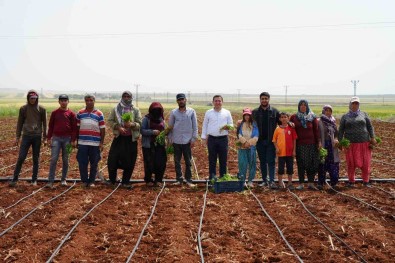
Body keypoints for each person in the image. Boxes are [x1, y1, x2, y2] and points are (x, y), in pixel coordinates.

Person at [9, 90, 47, 187]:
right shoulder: (23, 109)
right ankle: (15, 179)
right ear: (28, 98)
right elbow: (19, 123)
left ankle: (34, 179)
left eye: (34, 98)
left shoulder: (42, 109)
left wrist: (45, 137)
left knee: (36, 158)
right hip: (26, 136)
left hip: (37, 136)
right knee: (21, 157)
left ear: (37, 98)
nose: (33, 100)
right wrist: (17, 137)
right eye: (31, 98)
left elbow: (45, 124)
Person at [338, 97, 376, 187]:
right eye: (353, 103)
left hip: (364, 143)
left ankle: (366, 181)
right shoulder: (345, 116)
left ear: (359, 105)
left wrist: (373, 137)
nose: (355, 105)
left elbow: (370, 127)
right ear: (350, 105)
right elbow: (341, 130)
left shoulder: (364, 114)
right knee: (351, 163)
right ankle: (351, 181)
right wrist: (341, 142)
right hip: (350, 144)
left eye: (356, 103)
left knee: (366, 163)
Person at [107, 91, 141, 189]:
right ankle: (112, 180)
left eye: (128, 96)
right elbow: (110, 120)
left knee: (130, 161)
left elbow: (139, 123)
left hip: (131, 140)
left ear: (131, 97)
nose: (126, 98)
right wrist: (118, 127)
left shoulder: (135, 109)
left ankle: (125, 182)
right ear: (122, 97)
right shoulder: (116, 108)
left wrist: (132, 124)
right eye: (124, 96)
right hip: (119, 138)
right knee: (112, 160)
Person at [46, 94, 77, 188]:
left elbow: (74, 129)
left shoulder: (71, 114)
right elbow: (51, 126)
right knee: (54, 159)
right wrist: (48, 138)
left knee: (66, 159)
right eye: (62, 100)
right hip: (56, 139)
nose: (63, 102)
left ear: (68, 101)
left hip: (67, 140)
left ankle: (63, 179)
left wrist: (73, 140)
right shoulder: (55, 113)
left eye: (65, 100)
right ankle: (50, 181)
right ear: (59, 102)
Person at [168, 93, 199, 187]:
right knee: (177, 161)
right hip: (176, 140)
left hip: (187, 141)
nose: (181, 101)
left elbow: (195, 127)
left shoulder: (191, 112)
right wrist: (170, 139)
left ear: (186, 100)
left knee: (188, 161)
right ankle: (179, 179)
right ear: (177, 101)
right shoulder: (174, 112)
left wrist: (193, 139)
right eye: (179, 100)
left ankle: (189, 180)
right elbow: (170, 127)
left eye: (182, 99)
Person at [76, 94, 105, 188]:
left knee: (94, 163)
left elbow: (102, 129)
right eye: (87, 100)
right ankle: (84, 181)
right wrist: (76, 140)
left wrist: (101, 142)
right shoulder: (80, 113)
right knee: (82, 163)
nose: (89, 102)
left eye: (91, 100)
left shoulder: (99, 114)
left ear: (94, 101)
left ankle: (92, 181)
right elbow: (77, 127)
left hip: (95, 143)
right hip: (82, 142)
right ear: (85, 101)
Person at [290, 99, 320, 190]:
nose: (303, 106)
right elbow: (289, 125)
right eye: (301, 105)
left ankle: (311, 183)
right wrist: (289, 123)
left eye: (305, 105)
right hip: (300, 145)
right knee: (301, 164)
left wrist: (318, 143)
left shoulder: (312, 117)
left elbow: (316, 131)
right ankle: (301, 184)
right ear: (299, 106)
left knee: (312, 164)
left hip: (311, 144)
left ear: (307, 106)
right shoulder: (294, 117)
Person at [201, 95, 233, 180]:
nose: (217, 102)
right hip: (212, 139)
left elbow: (231, 124)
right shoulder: (208, 112)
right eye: (216, 101)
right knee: (212, 159)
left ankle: (223, 177)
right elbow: (205, 125)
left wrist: (228, 127)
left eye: (219, 101)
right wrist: (204, 138)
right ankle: (212, 177)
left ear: (222, 102)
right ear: (213, 102)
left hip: (223, 139)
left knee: (223, 159)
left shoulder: (227, 112)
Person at [252, 92, 280, 189]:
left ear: (269, 99)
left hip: (271, 141)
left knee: (271, 161)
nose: (264, 100)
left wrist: (290, 122)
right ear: (260, 100)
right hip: (259, 141)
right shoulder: (255, 112)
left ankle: (272, 181)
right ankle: (264, 180)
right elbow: (248, 122)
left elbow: (282, 122)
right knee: (262, 161)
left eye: (266, 98)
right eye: (262, 98)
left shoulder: (275, 111)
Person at [141, 102, 167, 187]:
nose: (156, 111)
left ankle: (158, 180)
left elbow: (164, 130)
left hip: (160, 145)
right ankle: (148, 180)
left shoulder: (161, 119)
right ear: (151, 110)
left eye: (158, 110)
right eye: (154, 110)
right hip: (148, 145)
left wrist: (164, 135)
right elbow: (142, 130)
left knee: (161, 162)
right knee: (149, 162)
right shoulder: (146, 119)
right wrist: (152, 132)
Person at [272, 112, 297, 189]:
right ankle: (280, 183)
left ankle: (289, 183)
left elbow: (294, 140)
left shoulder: (291, 128)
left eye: (285, 117)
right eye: (282, 117)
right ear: (280, 119)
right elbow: (274, 140)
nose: (283, 118)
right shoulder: (277, 129)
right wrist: (276, 148)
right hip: (281, 153)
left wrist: (294, 151)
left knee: (290, 168)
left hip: (290, 153)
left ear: (288, 118)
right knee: (280, 169)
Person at [318, 105, 340, 190]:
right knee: (322, 163)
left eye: (329, 111)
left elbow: (336, 133)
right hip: (323, 145)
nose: (328, 112)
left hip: (332, 146)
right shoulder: (319, 121)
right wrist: (319, 142)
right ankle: (321, 183)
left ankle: (334, 183)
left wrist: (336, 139)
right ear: (323, 111)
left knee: (333, 163)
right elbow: (318, 133)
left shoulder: (333, 121)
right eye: (326, 110)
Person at [236, 108, 259, 188]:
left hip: (251, 147)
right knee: (242, 164)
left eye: (248, 115)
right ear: (243, 116)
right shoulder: (241, 124)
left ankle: (250, 181)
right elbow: (239, 134)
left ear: (250, 116)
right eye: (245, 115)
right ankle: (242, 181)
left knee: (252, 164)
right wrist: (244, 142)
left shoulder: (254, 124)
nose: (247, 117)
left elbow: (256, 136)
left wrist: (249, 143)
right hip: (242, 147)